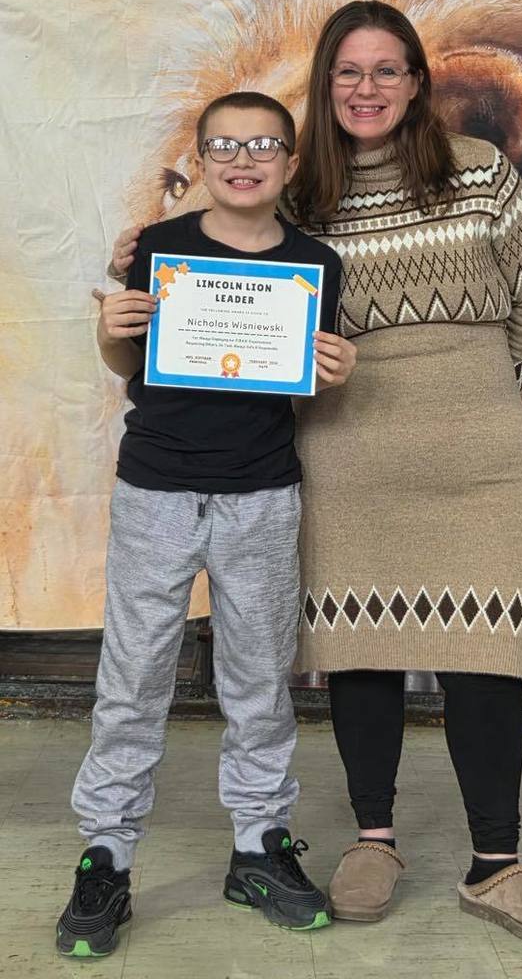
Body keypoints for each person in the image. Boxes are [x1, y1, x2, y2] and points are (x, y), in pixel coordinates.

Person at [110, 2, 522, 950]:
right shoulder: (298, 196)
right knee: (358, 650)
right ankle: (374, 838)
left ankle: (498, 863)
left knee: (487, 659)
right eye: (348, 73)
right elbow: (225, 270)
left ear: (417, 81)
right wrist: (147, 260)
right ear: (326, 86)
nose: (366, 89)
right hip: (343, 453)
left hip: (480, 457)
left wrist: (490, 384)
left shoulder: (482, 172)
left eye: (386, 70)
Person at [56, 91, 357, 958]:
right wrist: (111, 328)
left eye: (264, 143)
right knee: (134, 676)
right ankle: (106, 854)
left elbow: (307, 374)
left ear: (290, 164)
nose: (243, 156)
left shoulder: (316, 265)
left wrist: (337, 368)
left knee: (259, 679)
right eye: (224, 143)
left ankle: (259, 847)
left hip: (262, 492)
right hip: (156, 488)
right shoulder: (156, 248)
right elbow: (127, 360)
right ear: (202, 156)